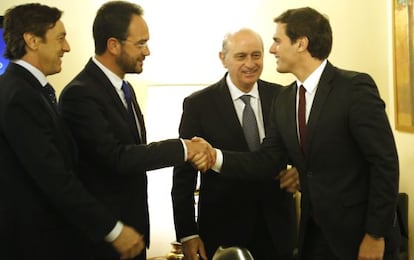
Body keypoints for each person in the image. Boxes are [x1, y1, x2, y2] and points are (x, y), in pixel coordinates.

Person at [194, 7, 401, 260]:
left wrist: (375, 234)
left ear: (301, 43)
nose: (272, 50)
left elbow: (384, 164)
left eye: (277, 41)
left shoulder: (354, 89)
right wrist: (214, 156)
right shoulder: (284, 99)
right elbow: (267, 160)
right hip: (312, 238)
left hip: (358, 237)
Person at [58, 1, 212, 259]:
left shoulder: (125, 90)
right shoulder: (80, 94)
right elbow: (117, 157)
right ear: (113, 45)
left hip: (133, 235)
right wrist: (184, 148)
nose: (147, 51)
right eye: (140, 43)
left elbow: (135, 153)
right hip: (102, 242)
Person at [0, 3, 147, 260]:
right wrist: (113, 230)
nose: (66, 47)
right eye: (60, 38)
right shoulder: (19, 95)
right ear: (32, 40)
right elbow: (54, 176)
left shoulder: (30, 90)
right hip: (32, 244)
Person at [171, 28, 297, 259]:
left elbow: (299, 149)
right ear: (223, 59)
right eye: (241, 56)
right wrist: (187, 233)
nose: (250, 63)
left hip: (277, 229)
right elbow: (183, 176)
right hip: (223, 229)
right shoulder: (199, 104)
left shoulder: (283, 97)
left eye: (256, 55)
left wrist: (299, 169)